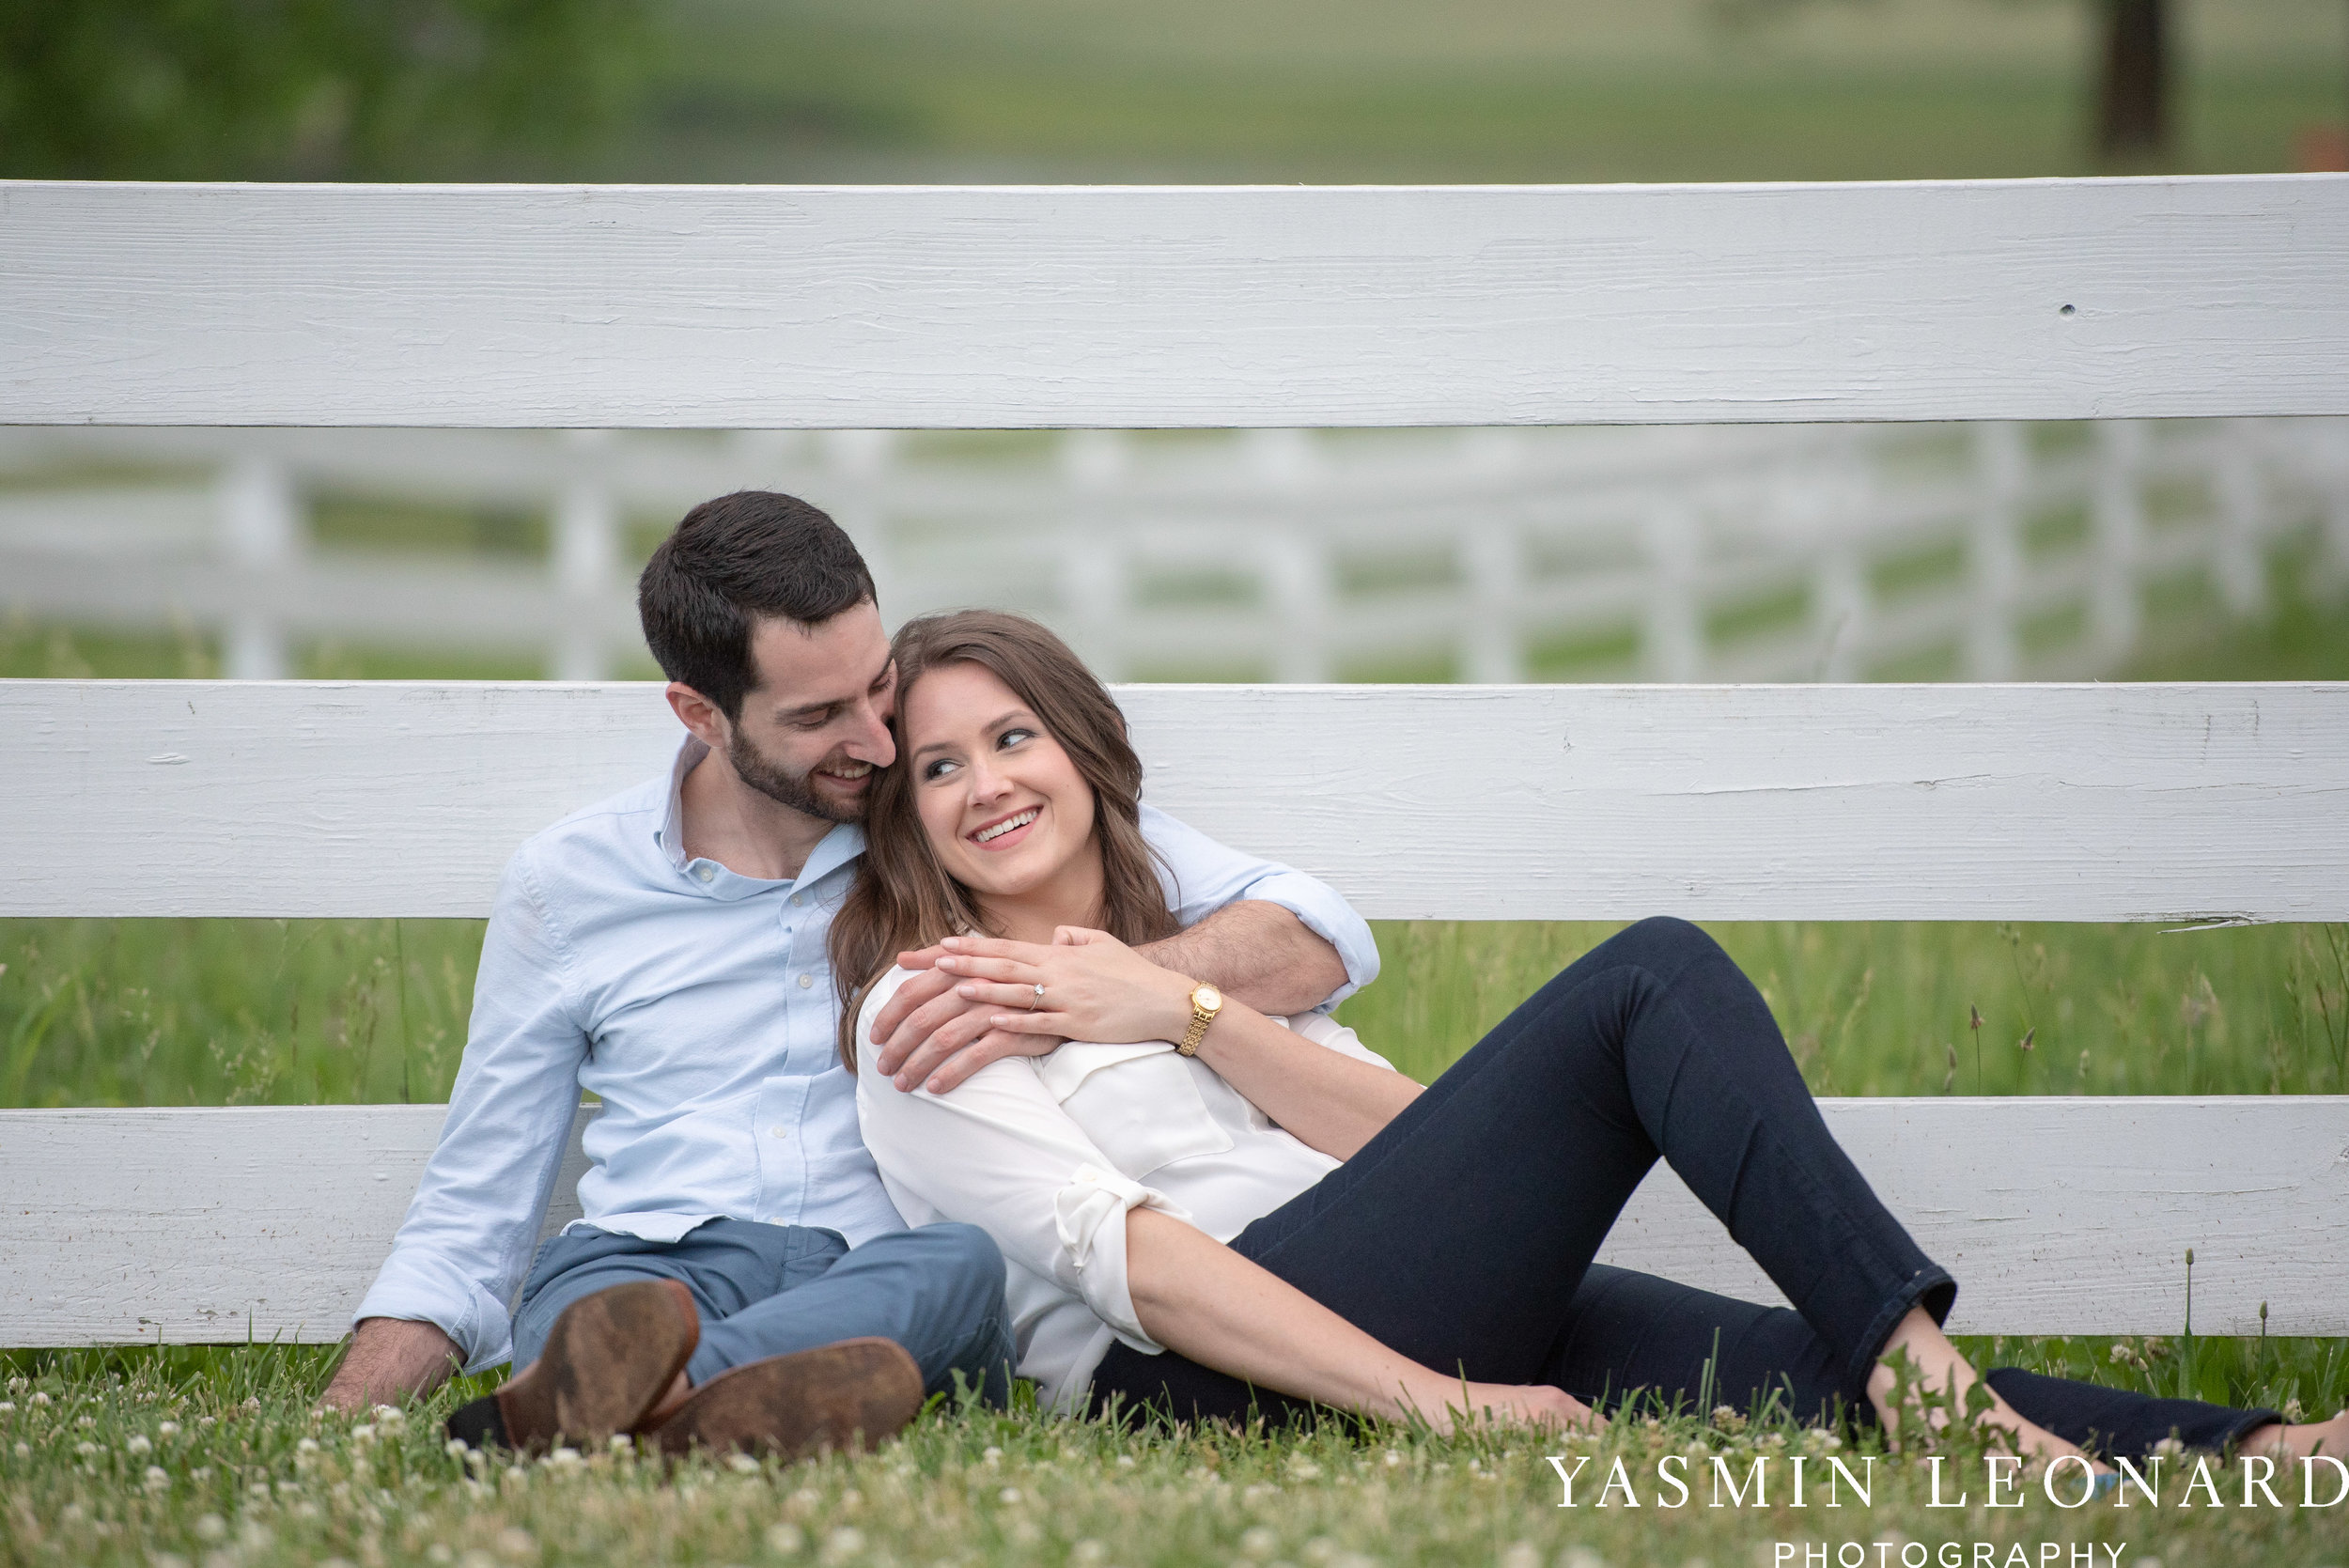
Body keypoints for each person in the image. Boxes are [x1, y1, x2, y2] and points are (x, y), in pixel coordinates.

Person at [844, 608, 2349, 1464]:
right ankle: (1938, 1385)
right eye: (936, 768)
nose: (985, 783)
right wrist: (1448, 1401)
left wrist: (1183, 1009)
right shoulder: (927, 1017)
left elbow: (1421, 1148)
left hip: (1390, 1279)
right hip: (1213, 1378)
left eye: (1012, 736)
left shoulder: (1207, 970)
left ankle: (2255, 1454)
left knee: (1800, 1369)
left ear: (1086, 750)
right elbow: (1150, 1272)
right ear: (906, 818)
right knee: (1649, 980)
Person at [319, 493, 1377, 1459]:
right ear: (700, 714)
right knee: (605, 1316)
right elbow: (472, 1212)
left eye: (878, 686)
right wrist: (337, 1427)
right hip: (646, 1268)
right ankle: (661, 1401)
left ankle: (627, 1423)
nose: (877, 739)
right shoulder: (568, 883)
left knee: (956, 1266)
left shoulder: (950, 812)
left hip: (878, 1278)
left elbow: (1312, 934)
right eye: (821, 715)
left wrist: (1104, 991)